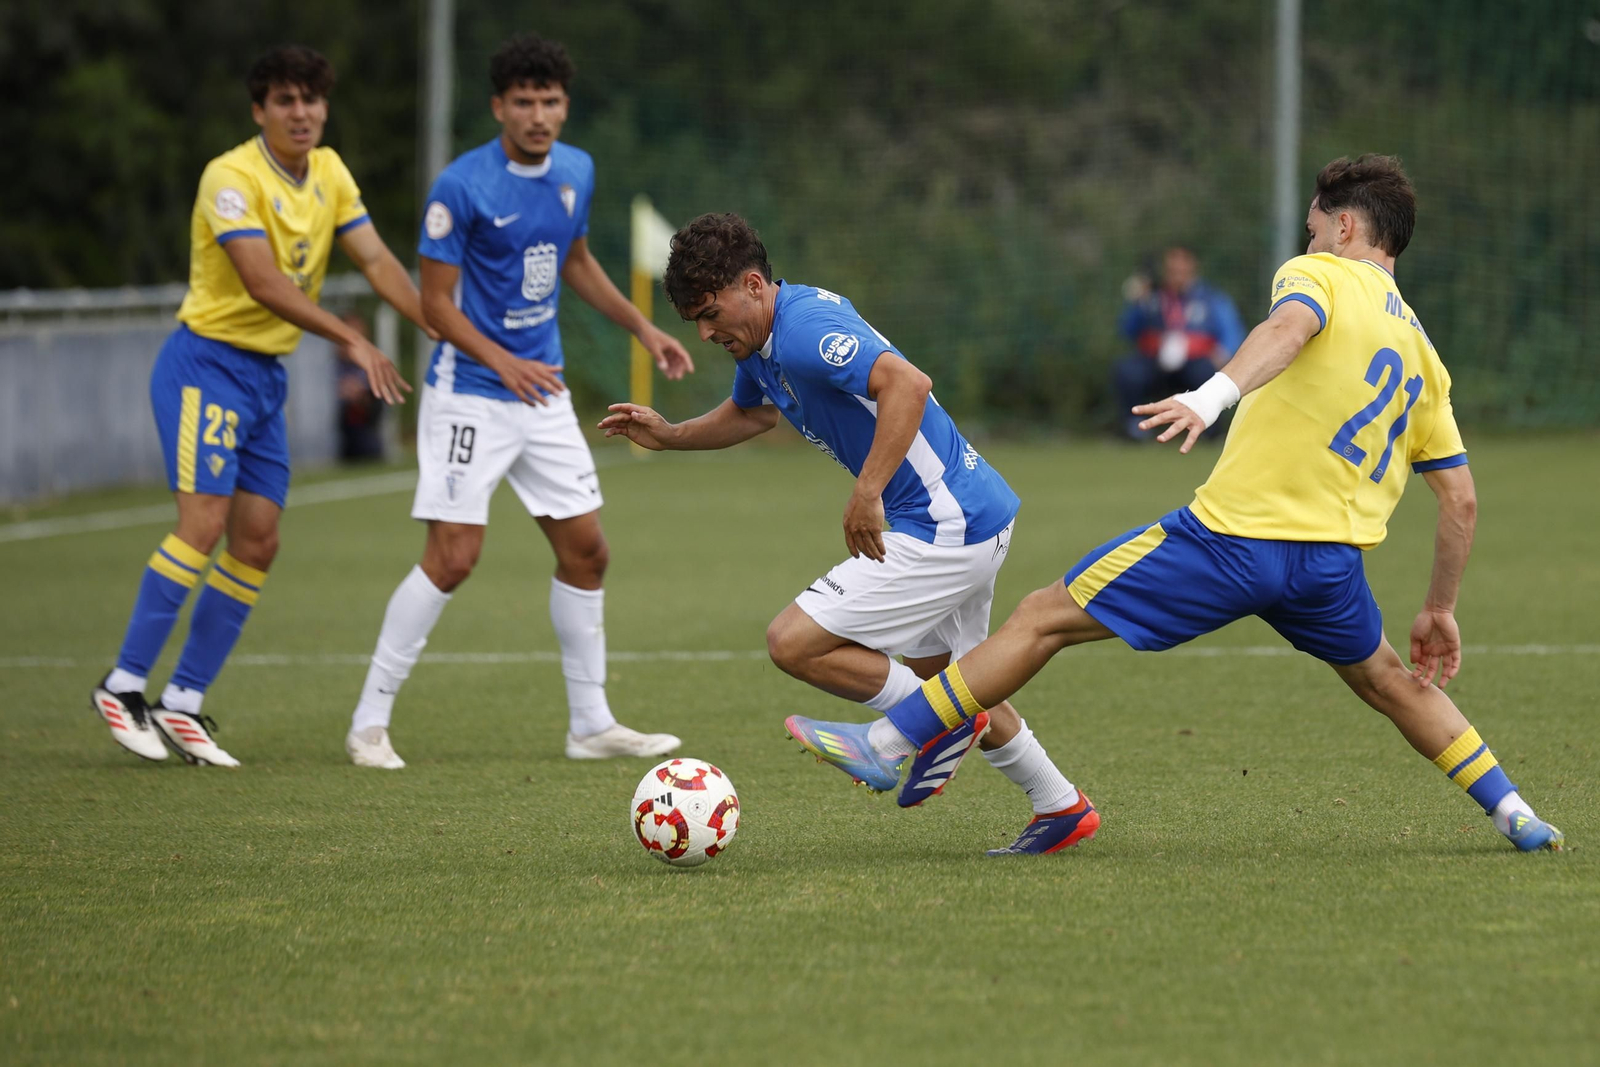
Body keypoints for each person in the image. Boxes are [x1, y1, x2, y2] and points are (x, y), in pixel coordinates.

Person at [798, 155, 1565, 853]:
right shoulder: (1426, 356)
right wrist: (1441, 606)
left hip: (1230, 542)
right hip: (1330, 566)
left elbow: (1286, 329)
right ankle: (1516, 812)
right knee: (1393, 681)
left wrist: (1211, 393)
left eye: (1313, 230)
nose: (1309, 242)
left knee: (1043, 615)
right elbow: (1459, 498)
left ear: (1345, 224)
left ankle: (890, 744)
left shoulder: (1320, 276)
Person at [600, 213, 1096, 854]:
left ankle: (931, 728)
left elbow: (908, 385)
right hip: (968, 515)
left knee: (793, 642)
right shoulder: (762, 343)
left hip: (947, 523)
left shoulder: (803, 330)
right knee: (953, 680)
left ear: (753, 284)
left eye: (710, 312)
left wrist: (867, 491)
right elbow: (751, 415)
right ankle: (1059, 804)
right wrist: (671, 435)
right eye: (693, 319)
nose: (704, 331)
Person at [345, 34, 692, 769]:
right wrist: (504, 362)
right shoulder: (461, 187)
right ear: (499, 106)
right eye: (525, 101)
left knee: (588, 551)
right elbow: (434, 306)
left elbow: (575, 261)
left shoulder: (576, 170)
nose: (540, 115)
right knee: (453, 556)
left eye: (552, 101)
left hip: (542, 391)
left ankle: (590, 724)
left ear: (565, 106)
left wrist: (642, 328)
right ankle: (369, 722)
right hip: (470, 392)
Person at [90, 45, 430, 767]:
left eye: (311, 99)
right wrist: (352, 338)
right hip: (206, 366)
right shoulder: (231, 177)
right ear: (259, 110)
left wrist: (439, 323)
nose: (301, 113)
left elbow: (374, 260)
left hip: (265, 378)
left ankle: (183, 700)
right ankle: (122, 685)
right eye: (284, 100)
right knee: (203, 524)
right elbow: (262, 282)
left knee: (258, 539)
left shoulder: (330, 171)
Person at [1113, 245, 1246, 440]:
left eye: (1181, 269)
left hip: (1196, 361)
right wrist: (1136, 302)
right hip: (1155, 360)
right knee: (1128, 371)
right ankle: (1135, 427)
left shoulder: (1211, 299)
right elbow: (1128, 330)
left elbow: (1231, 332)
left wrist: (1222, 354)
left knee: (1208, 373)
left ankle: (1210, 430)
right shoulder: (1152, 298)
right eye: (1172, 270)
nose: (1177, 275)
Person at [335, 310, 387, 461]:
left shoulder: (373, 367)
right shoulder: (324, 366)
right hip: (332, 435)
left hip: (363, 434)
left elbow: (383, 406)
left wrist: (364, 394)